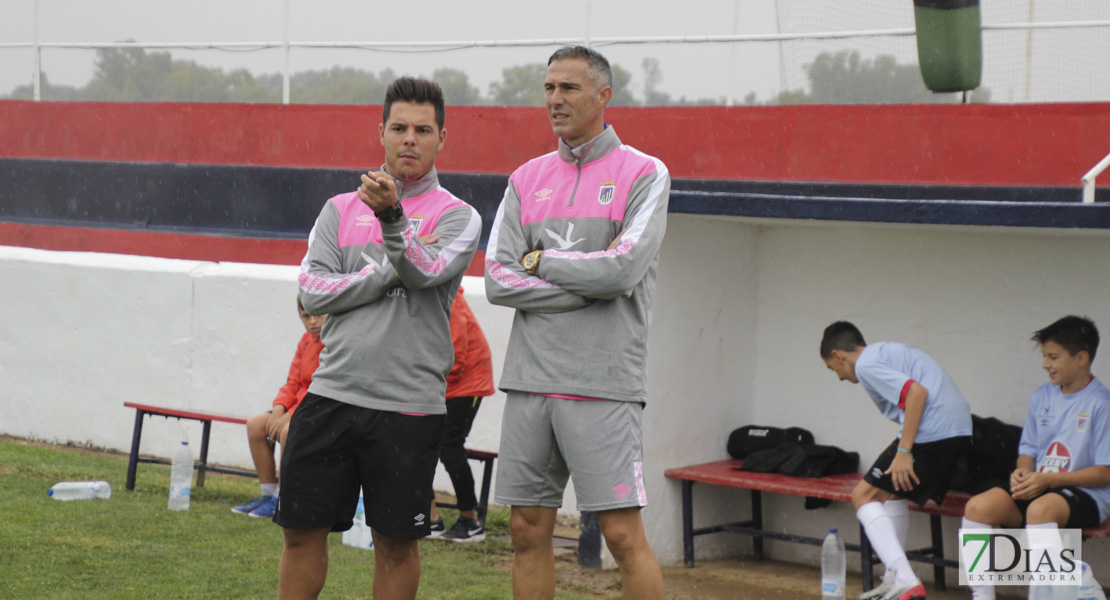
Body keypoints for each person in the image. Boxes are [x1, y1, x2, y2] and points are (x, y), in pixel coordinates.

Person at [276, 76, 481, 600]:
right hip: (330, 395)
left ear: (442, 138)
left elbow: (424, 274)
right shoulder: (338, 209)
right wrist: (388, 266)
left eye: (422, 129)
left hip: (408, 406)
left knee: (394, 546)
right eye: (399, 127)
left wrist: (393, 219)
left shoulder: (459, 216)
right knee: (300, 534)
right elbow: (313, 292)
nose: (410, 139)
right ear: (382, 133)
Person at [485, 45, 669, 600]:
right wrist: (583, 287)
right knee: (526, 531)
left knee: (621, 535)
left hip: (602, 384)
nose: (555, 100)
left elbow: (622, 270)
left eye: (568, 88)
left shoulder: (645, 172)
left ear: (603, 96)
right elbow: (497, 279)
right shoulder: (524, 178)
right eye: (548, 88)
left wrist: (541, 261)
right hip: (529, 381)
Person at [820, 321, 972, 600]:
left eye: (833, 368)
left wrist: (904, 451)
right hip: (956, 428)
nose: (839, 377)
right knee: (892, 495)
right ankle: (892, 579)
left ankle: (906, 579)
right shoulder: (882, 352)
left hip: (935, 430)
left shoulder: (865, 364)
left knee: (863, 496)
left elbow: (917, 393)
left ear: (839, 355)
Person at [961, 316, 1110, 600]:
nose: (1045, 364)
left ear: (1081, 358)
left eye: (1053, 357)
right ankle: (983, 598)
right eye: (1044, 356)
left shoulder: (1102, 403)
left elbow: (1106, 471)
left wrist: (1048, 479)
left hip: (1088, 494)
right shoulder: (1041, 396)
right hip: (1042, 486)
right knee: (978, 507)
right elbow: (1027, 451)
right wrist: (1022, 472)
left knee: (1040, 511)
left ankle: (1058, 592)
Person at [231, 296, 325, 519]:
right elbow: (293, 382)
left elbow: (319, 388)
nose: (312, 322)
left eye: (317, 314)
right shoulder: (305, 340)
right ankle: (268, 494)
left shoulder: (334, 342)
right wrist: (279, 409)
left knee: (285, 431)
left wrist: (289, 416)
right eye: (305, 316)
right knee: (255, 425)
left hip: (317, 408)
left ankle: (282, 498)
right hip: (295, 407)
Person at [427, 288, 496, 542]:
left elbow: (456, 352)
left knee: (449, 446)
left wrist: (429, 380)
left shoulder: (446, 296)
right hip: (440, 383)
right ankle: (429, 520)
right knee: (417, 445)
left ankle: (470, 520)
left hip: (467, 383)